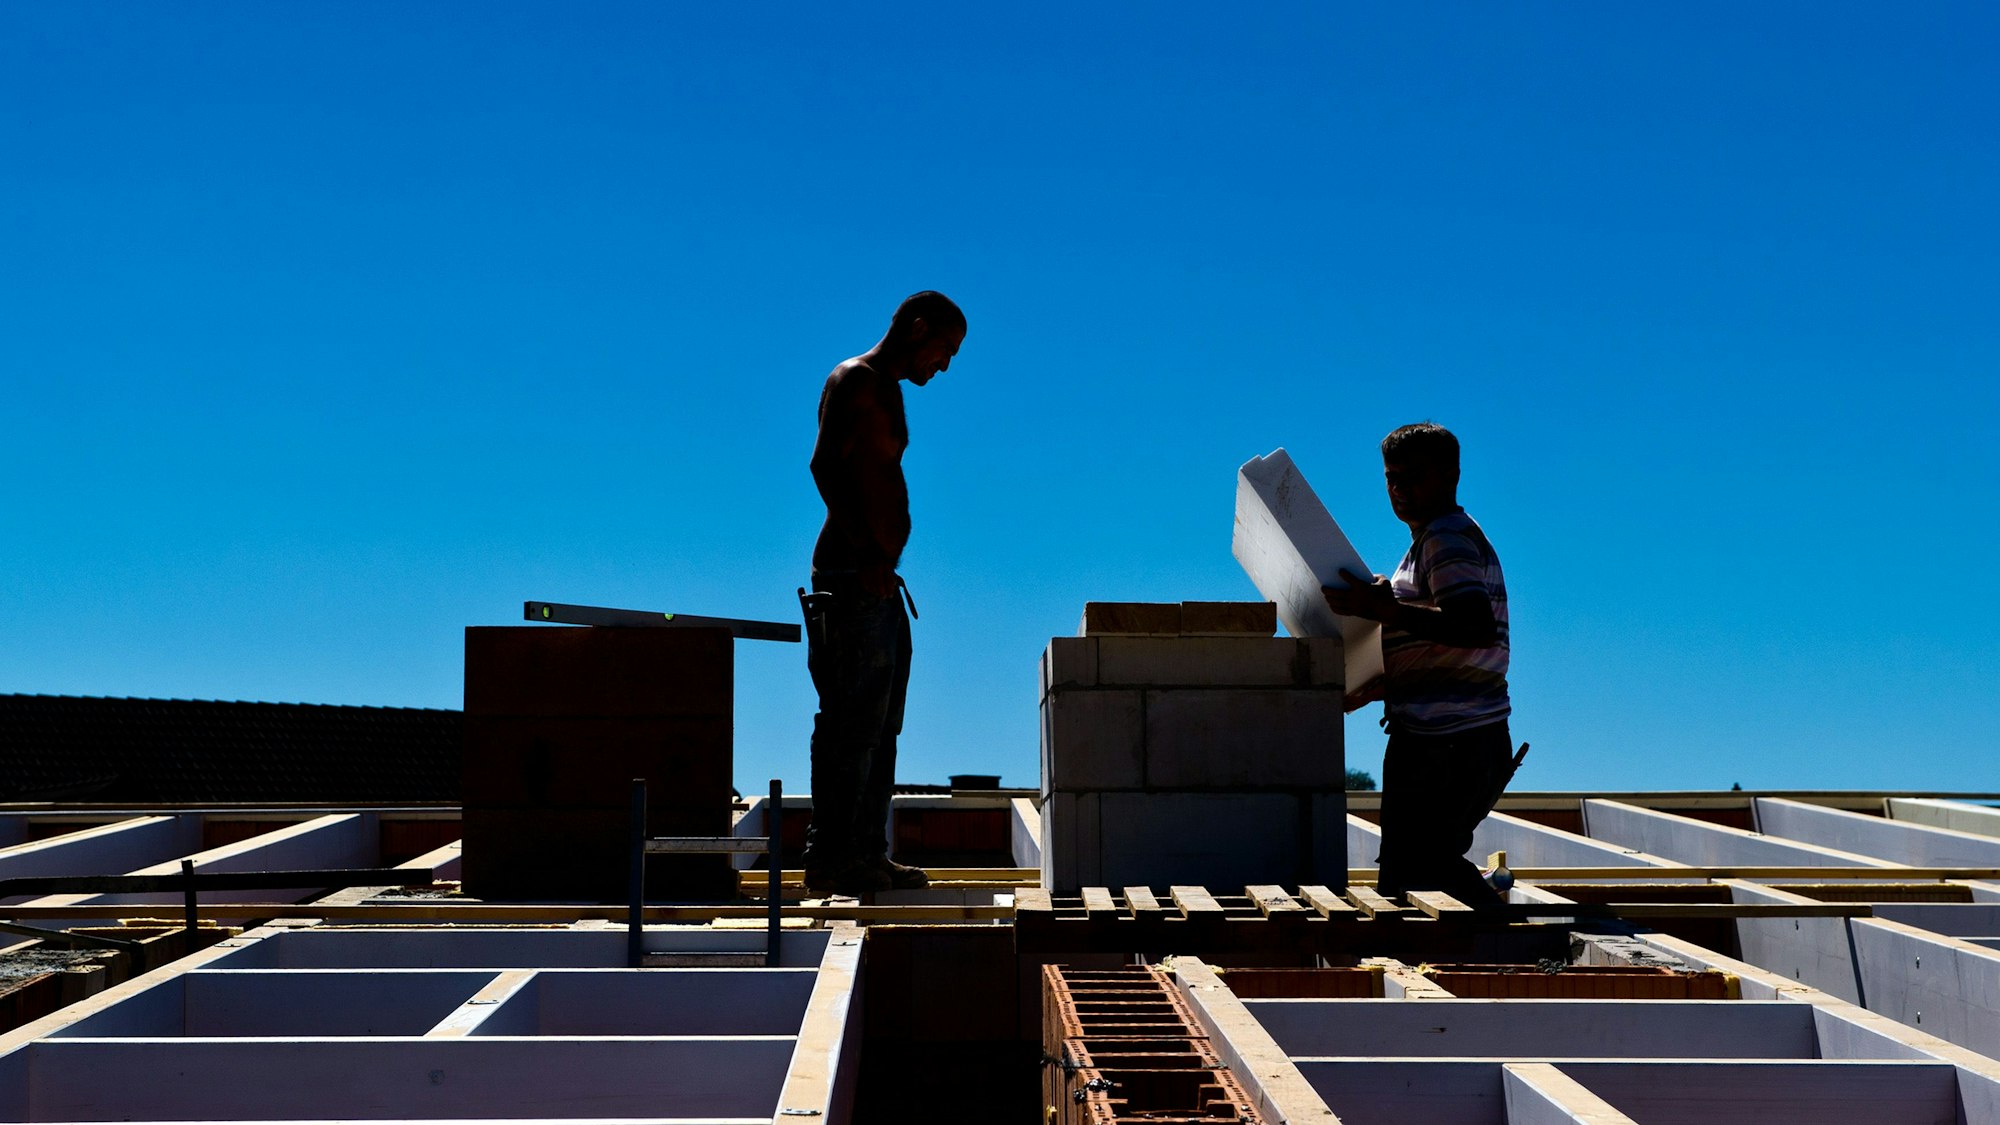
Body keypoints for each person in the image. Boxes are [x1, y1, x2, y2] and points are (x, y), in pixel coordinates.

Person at [800, 291, 966, 896]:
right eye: (944, 350)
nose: (944, 366)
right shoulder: (856, 380)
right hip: (850, 582)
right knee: (851, 722)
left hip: (877, 587)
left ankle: (866, 853)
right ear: (917, 329)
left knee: (881, 723)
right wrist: (868, 555)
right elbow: (823, 467)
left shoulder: (888, 390)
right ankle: (829, 860)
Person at [1323, 422, 1514, 909]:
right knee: (1417, 876)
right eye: (1391, 478)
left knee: (1424, 878)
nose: (1400, 489)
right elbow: (1445, 648)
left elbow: (1473, 626)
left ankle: (1496, 959)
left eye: (1414, 476)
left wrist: (1383, 610)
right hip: (1450, 740)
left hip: (1451, 744)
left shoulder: (1445, 538)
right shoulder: (1432, 542)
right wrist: (1380, 685)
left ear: (1451, 476)